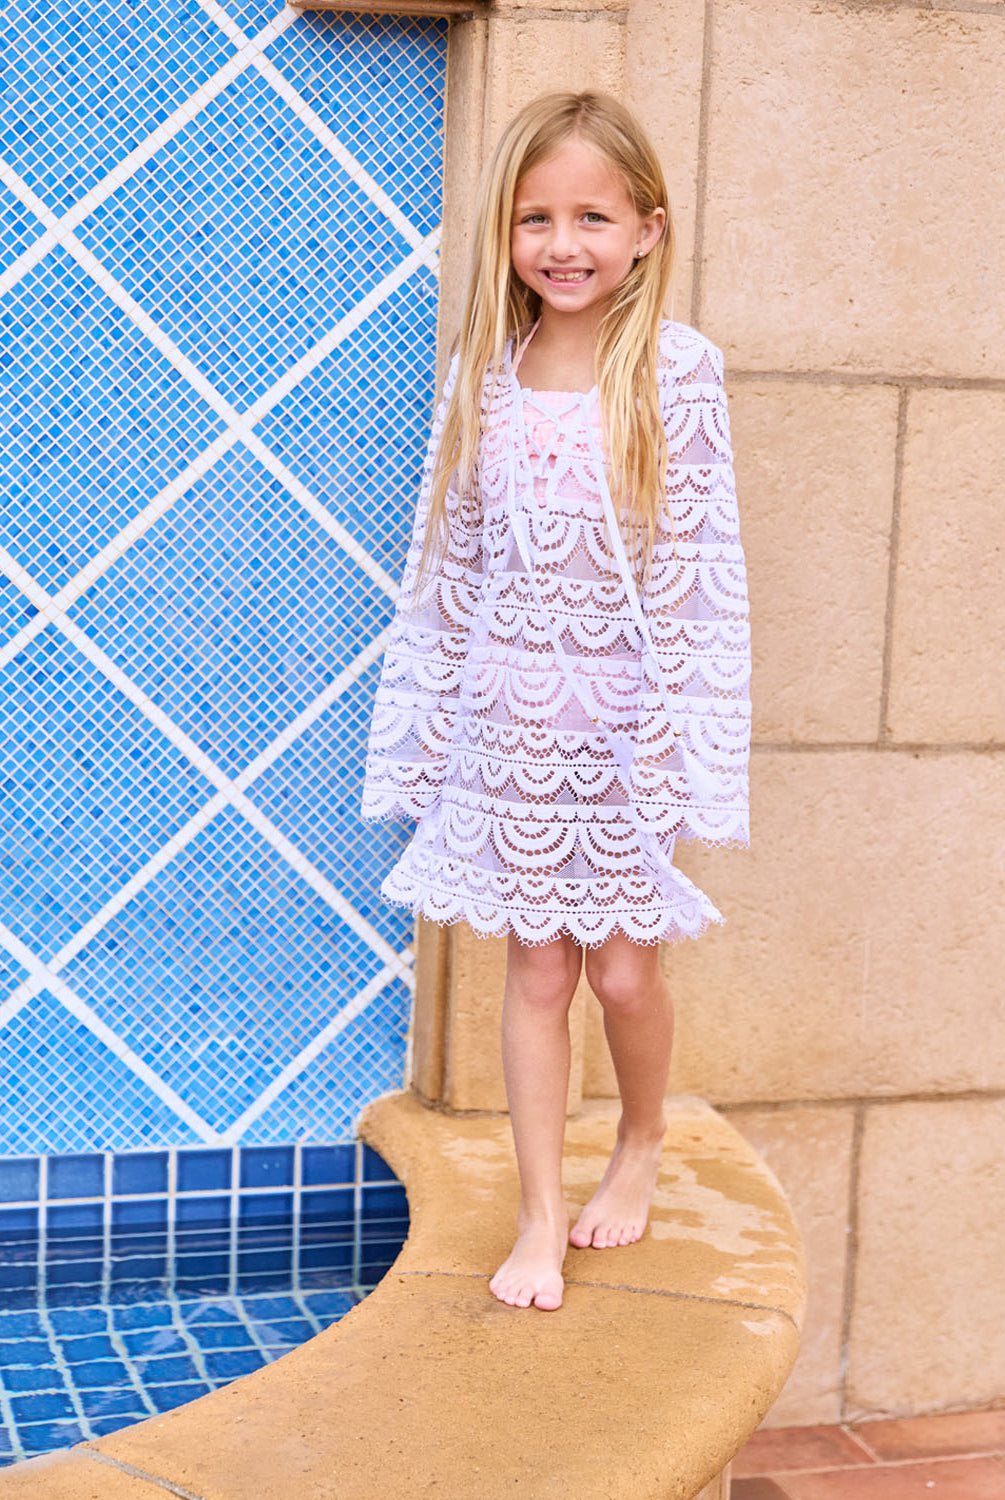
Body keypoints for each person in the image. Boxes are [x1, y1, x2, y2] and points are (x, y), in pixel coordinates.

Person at [359, 91, 750, 1312]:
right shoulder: (486, 374)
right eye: (537, 218)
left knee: (623, 976)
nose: (563, 243)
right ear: (507, 230)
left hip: (626, 731)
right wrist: (431, 732)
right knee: (536, 973)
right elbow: (452, 564)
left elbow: (700, 572)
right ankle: (539, 1215)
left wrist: (680, 743)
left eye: (592, 217)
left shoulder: (678, 372)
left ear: (647, 229)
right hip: (512, 723)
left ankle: (639, 1137)